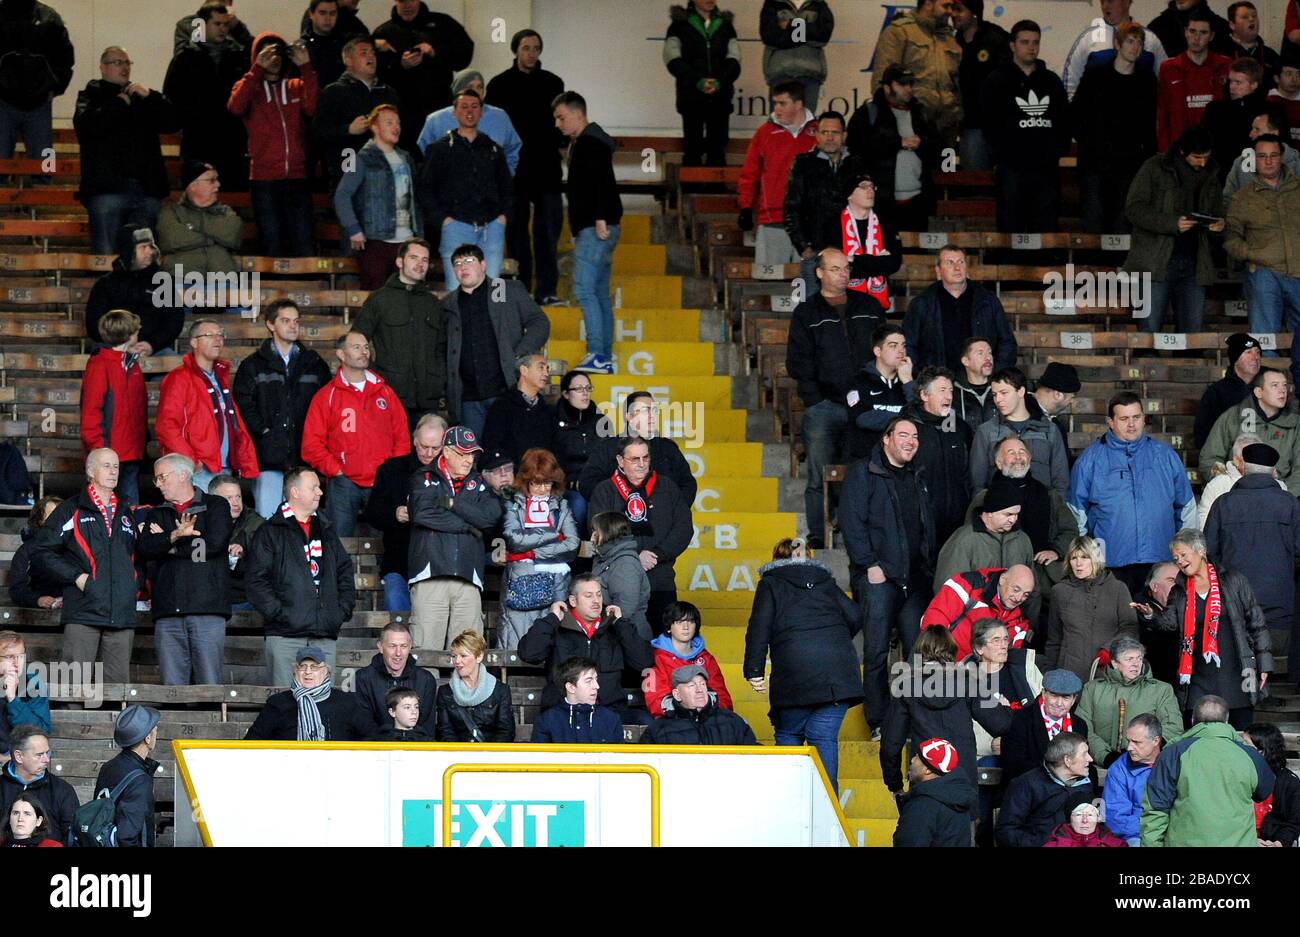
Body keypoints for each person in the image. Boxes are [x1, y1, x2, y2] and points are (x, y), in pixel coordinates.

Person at [833, 419, 935, 738]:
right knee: (876, 651)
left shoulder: (918, 473)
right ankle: (878, 721)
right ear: (886, 438)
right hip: (878, 578)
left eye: (915, 436)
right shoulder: (864, 473)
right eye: (902, 434)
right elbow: (851, 523)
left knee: (918, 652)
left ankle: (916, 719)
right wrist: (868, 566)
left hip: (915, 579)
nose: (910, 441)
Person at [785, 247, 885, 547]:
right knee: (818, 475)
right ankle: (818, 535)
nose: (844, 274)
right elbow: (797, 362)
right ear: (819, 273)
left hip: (866, 406)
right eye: (836, 269)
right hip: (825, 407)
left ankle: (857, 530)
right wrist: (815, 400)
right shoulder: (806, 312)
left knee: (865, 472)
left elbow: (888, 348)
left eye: (846, 269)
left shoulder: (869, 305)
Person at [1134, 528, 1271, 729]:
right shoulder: (1179, 590)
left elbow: (1257, 623)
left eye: (1183, 555)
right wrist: (1149, 615)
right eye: (1175, 557)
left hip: (1235, 672)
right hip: (1197, 676)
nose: (1179, 561)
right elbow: (1169, 624)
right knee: (1197, 733)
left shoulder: (1233, 580)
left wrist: (1264, 664)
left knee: (1240, 732)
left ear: (1201, 551)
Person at [1069, 391, 1196, 593]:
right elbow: (1077, 513)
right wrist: (1086, 559)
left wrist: (1186, 553)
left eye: (1136, 417)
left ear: (1144, 419)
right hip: (1110, 563)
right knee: (1116, 622)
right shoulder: (1089, 460)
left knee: (1161, 621)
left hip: (1160, 560)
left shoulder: (1165, 456)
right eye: (1124, 418)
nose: (1131, 424)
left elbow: (1186, 507)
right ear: (1110, 421)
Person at [31, 449, 138, 685]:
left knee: (117, 688)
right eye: (107, 465)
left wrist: (133, 586)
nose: (113, 472)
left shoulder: (127, 511)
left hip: (121, 613)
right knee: (74, 684)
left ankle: (117, 724)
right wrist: (77, 577)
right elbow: (41, 551)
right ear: (90, 471)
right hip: (83, 610)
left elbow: (137, 556)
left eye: (117, 466)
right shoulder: (71, 509)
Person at [247, 468, 356, 686]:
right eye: (313, 487)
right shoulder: (269, 531)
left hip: (324, 633)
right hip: (285, 636)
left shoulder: (326, 529)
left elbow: (344, 571)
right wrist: (281, 615)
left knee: (324, 707)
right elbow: (256, 581)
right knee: (285, 707)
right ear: (295, 492)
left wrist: (340, 611)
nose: (320, 492)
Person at [881, 626, 1012, 806]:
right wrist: (1004, 707)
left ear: (920, 651)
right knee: (962, 832)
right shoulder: (969, 680)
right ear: (951, 650)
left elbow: (891, 743)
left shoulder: (906, 685)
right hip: (963, 780)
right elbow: (1001, 725)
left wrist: (894, 784)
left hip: (924, 780)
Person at [300, 331, 409, 537]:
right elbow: (311, 445)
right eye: (356, 347)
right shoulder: (327, 396)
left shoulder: (385, 392)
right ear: (341, 354)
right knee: (339, 544)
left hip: (382, 483)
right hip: (344, 482)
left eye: (366, 347)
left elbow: (402, 437)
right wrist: (336, 470)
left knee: (385, 545)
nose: (364, 352)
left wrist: (391, 472)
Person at [137, 454, 233, 685]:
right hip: (167, 612)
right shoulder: (156, 513)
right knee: (172, 690)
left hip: (207, 610)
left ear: (182, 475)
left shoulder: (216, 505)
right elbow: (146, 548)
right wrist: (175, 535)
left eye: (162, 477)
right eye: (156, 479)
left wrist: (170, 546)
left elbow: (214, 544)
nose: (158, 484)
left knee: (209, 687)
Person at [232, 300, 333, 519]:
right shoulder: (253, 365)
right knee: (268, 521)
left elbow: (328, 404)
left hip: (305, 455)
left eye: (296, 321)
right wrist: (265, 432)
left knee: (305, 522)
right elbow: (243, 404)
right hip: (268, 457)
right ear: (270, 324)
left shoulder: (314, 363)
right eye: (285, 321)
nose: (293, 326)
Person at [486, 29, 567, 304]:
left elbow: (560, 123)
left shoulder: (553, 83)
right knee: (517, 233)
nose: (531, 53)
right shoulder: (499, 85)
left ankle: (547, 290)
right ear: (516, 50)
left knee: (547, 233)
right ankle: (520, 291)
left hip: (546, 167)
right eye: (526, 48)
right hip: (514, 170)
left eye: (535, 48)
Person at [74, 47, 178, 255]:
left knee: (144, 259)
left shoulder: (141, 97)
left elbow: (173, 122)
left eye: (127, 63)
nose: (124, 67)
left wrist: (150, 96)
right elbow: (88, 127)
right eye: (117, 62)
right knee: (106, 256)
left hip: (145, 190)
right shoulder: (91, 95)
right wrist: (118, 103)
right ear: (103, 68)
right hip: (106, 190)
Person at [407, 426, 503, 650]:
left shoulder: (479, 482)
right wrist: (469, 525)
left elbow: (490, 518)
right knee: (426, 652)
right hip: (431, 575)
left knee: (468, 654)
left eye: (472, 453)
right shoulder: (424, 477)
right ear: (446, 452)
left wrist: (453, 504)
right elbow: (422, 514)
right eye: (462, 453)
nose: (469, 460)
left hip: (468, 578)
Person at [442, 242, 552, 435]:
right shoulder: (448, 304)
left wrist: (519, 355)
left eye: (469, 260)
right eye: (457, 263)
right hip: (467, 398)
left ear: (483, 265)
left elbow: (539, 322)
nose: (463, 266)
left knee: (510, 455)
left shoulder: (507, 289)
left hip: (506, 390)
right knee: (472, 459)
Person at [1206, 442, 1300, 665]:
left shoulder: (1223, 504)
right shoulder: (1290, 504)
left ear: (1243, 468)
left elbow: (1209, 555)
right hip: (1281, 610)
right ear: (1274, 472)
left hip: (1234, 609)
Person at [588, 438, 694, 632]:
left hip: (661, 579)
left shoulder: (668, 487)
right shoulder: (605, 490)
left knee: (663, 644)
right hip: (616, 583)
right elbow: (598, 531)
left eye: (645, 457)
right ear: (620, 461)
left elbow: (683, 528)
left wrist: (657, 554)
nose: (641, 463)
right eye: (634, 459)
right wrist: (635, 557)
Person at [1141, 694, 1274, 845]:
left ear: (1192, 720)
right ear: (1226, 720)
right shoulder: (1250, 755)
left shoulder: (1172, 754)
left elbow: (1155, 810)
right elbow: (1264, 791)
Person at [228, 32, 317, 257]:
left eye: (277, 53)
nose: (273, 59)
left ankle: (307, 289)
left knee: (304, 242)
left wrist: (305, 66)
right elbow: (235, 107)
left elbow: (312, 108)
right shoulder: (249, 87)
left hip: (297, 177)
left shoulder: (296, 85)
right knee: (271, 242)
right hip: (264, 180)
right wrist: (256, 69)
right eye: (267, 54)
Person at [554, 91, 623, 374]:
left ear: (578, 114)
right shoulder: (589, 142)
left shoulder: (590, 144)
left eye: (561, 117)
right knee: (598, 292)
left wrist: (599, 219)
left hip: (597, 227)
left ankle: (597, 353)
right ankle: (603, 355)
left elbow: (600, 183)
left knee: (584, 289)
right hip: (598, 225)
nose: (557, 124)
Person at [518, 574, 653, 716]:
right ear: (573, 600)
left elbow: (643, 662)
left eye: (599, 595)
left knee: (645, 721)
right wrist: (551, 619)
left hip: (608, 712)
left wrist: (621, 624)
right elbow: (529, 654)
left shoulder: (614, 628)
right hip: (564, 712)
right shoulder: (557, 627)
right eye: (589, 596)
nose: (596, 601)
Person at [981, 20, 1071, 233]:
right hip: (1011, 169)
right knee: (1011, 228)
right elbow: (989, 123)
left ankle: (1044, 267)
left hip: (1046, 169)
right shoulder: (996, 80)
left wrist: (1056, 152)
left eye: (1035, 42)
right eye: (1025, 42)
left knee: (1046, 228)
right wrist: (1002, 155)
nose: (1031, 47)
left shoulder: (1051, 81)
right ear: (1012, 45)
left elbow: (1064, 121)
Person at [1071, 23, 1160, 233]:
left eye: (1139, 43)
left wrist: (1147, 159)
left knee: (1123, 223)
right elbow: (1077, 113)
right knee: (1094, 220)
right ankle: (1092, 267)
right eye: (1130, 41)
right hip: (1095, 163)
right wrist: (1088, 143)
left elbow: (1148, 126)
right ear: (1117, 44)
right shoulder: (1095, 75)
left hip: (1129, 164)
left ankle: (1121, 267)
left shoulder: (1146, 81)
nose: (1135, 47)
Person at [417, 89, 513, 282]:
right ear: (454, 112)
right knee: (457, 291)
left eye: (474, 107)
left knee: (491, 290)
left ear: (482, 112)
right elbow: (425, 189)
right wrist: (442, 220)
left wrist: (504, 217)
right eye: (464, 107)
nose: (469, 111)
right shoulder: (439, 149)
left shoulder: (494, 149)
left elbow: (508, 188)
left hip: (491, 227)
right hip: (455, 226)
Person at [157, 320, 259, 492]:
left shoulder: (219, 377)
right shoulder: (179, 378)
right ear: (193, 342)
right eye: (209, 335)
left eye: (220, 335)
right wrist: (192, 461)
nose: (217, 339)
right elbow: (166, 426)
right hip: (198, 471)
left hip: (224, 467)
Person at [353, 240, 446, 424]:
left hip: (427, 401)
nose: (420, 264)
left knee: (427, 453)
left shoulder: (433, 304)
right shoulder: (379, 299)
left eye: (425, 260)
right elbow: (355, 341)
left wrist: (438, 383)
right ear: (399, 262)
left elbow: (442, 349)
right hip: (389, 399)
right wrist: (376, 378)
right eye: (414, 258)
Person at [333, 105, 423, 290]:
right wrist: (353, 228)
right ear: (374, 127)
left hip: (406, 239)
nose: (395, 127)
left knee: (406, 296)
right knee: (376, 296)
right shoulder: (360, 158)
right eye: (389, 122)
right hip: (375, 240)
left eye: (398, 123)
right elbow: (342, 195)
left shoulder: (406, 158)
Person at [362, 414, 446, 613]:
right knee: (397, 616)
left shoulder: (452, 473)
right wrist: (395, 513)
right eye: (424, 446)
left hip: (440, 566)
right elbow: (372, 512)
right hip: (400, 561)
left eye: (435, 448)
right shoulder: (391, 470)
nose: (428, 453)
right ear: (415, 441)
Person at [163, 2, 250, 191]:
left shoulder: (238, 56)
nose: (222, 29)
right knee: (196, 194)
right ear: (202, 25)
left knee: (231, 195)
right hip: (198, 137)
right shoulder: (186, 58)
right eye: (217, 24)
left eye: (226, 24)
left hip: (231, 138)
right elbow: (172, 96)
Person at [846, 67, 942, 235]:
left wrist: (923, 144)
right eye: (902, 84)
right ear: (887, 87)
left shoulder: (921, 113)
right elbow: (856, 148)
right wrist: (898, 143)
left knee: (916, 256)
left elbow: (940, 148)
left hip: (917, 202)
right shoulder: (868, 113)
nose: (908, 89)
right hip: (880, 203)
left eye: (910, 84)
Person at [371, 0, 473, 157]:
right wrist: (400, 64)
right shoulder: (383, 33)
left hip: (439, 108)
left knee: (443, 159)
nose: (407, 5)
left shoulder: (444, 24)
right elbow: (375, 74)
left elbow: (464, 56)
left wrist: (435, 52)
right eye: (402, 1)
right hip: (401, 115)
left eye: (411, 0)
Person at [499, 448, 578, 648]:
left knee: (554, 634)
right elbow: (513, 539)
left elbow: (572, 544)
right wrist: (552, 535)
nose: (542, 488)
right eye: (536, 482)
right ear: (526, 481)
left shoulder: (562, 506)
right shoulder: (514, 504)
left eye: (547, 482)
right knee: (517, 634)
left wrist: (534, 553)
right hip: (521, 577)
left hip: (557, 580)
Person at [783, 113, 867, 293]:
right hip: (815, 253)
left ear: (844, 135)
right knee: (813, 315)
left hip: (851, 254)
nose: (829, 137)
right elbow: (792, 207)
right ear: (817, 135)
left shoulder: (858, 164)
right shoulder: (803, 164)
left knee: (848, 313)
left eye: (835, 132)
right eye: (825, 132)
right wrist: (803, 247)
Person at [1226, 135, 1300, 339]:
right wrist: (1251, 254)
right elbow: (1230, 236)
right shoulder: (1243, 196)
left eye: (1273, 155)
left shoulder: (1298, 189)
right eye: (1262, 156)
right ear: (1255, 159)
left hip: (1299, 271)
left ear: (1282, 157)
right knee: (1264, 339)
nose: (1268, 161)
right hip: (1264, 274)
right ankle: (1267, 372)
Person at [901, 244, 1017, 374]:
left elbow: (1007, 343)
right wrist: (925, 378)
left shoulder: (987, 300)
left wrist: (994, 375)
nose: (957, 268)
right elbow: (909, 345)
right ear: (938, 271)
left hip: (981, 382)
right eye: (950, 263)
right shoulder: (922, 304)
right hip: (938, 385)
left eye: (960, 262)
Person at [737, 80, 816, 267]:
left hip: (809, 221)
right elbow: (749, 173)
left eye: (783, 103)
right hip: (772, 218)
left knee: (807, 284)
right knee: (770, 280)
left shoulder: (819, 132)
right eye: (775, 103)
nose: (777, 108)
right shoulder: (764, 133)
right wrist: (745, 207)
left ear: (798, 104)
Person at [1044, 536, 1139, 683]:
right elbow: (1054, 639)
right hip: (1069, 671)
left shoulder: (1117, 588)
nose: (1078, 563)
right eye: (1074, 558)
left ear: (1095, 559)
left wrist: (1110, 649)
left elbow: (1130, 628)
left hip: (1107, 671)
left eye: (1085, 557)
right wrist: (1049, 676)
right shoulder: (1060, 591)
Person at [576, 392, 698, 507]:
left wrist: (674, 509)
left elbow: (688, 484)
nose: (652, 415)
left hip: (663, 521)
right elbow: (587, 483)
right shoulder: (608, 447)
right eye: (645, 411)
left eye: (654, 410)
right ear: (629, 416)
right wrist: (617, 504)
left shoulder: (668, 448)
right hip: (618, 521)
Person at [1077, 635, 1184, 766]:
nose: (1136, 664)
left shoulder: (1161, 690)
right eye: (1129, 659)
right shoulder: (1092, 688)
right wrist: (1106, 756)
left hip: (1145, 767)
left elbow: (1173, 727)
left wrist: (1141, 752)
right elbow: (1082, 727)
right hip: (1099, 764)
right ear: (1115, 663)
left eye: (1139, 658)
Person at [79, 310, 148, 508]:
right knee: (102, 510)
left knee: (130, 513)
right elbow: (91, 412)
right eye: (136, 330)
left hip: (131, 453)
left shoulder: (131, 364)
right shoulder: (100, 364)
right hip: (108, 454)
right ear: (129, 333)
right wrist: (99, 450)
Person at [870, 0, 962, 148]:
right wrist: (891, 120)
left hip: (947, 127)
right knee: (916, 169)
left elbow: (958, 83)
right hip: (913, 125)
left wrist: (958, 113)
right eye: (946, 6)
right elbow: (882, 80)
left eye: (952, 7)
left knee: (948, 169)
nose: (950, 11)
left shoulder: (950, 37)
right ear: (928, 4)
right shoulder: (899, 32)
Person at [84, 225, 181, 359]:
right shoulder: (105, 284)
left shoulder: (163, 282)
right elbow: (94, 324)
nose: (149, 252)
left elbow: (174, 321)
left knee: (172, 362)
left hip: (155, 350)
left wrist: (151, 344)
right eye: (143, 247)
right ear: (129, 251)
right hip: (113, 348)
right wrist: (122, 344)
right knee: (100, 358)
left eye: (151, 246)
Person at [663, 0, 741, 167]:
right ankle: (691, 190)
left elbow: (734, 60)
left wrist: (720, 81)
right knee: (692, 148)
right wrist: (697, 81)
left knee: (718, 149)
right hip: (690, 96)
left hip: (720, 96)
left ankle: (716, 190)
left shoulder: (726, 26)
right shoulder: (678, 25)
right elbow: (672, 60)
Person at [313, 37, 399, 187]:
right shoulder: (333, 92)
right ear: (348, 60)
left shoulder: (388, 93)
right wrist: (348, 129)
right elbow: (318, 133)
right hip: (348, 170)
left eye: (373, 53)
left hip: (383, 170)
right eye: (364, 53)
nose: (371, 57)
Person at [969, 369, 1070, 496]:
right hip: (1001, 511)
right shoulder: (986, 431)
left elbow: (1061, 482)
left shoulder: (1050, 430)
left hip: (1041, 510)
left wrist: (1054, 512)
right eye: (994, 394)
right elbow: (977, 484)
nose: (998, 399)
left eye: (1004, 393)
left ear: (1021, 391)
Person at [1200, 368, 1300, 494]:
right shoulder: (1233, 417)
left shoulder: (1295, 424)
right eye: (1275, 385)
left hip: (1279, 499)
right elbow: (1209, 459)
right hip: (1236, 496)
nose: (1283, 390)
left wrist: (1282, 495)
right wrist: (1228, 487)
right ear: (1259, 392)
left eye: (1284, 385)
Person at [903, 367, 974, 546]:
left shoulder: (961, 428)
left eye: (951, 391)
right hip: (919, 524)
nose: (949, 397)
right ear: (924, 396)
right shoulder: (906, 427)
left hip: (957, 523)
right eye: (942, 391)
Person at [0, 0, 74, 162]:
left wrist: (55, 88)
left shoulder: (50, 17)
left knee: (46, 161)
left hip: (40, 102)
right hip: (3, 102)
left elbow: (65, 58)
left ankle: (46, 184)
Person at [245, 645, 370, 740]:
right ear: (295, 671)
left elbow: (371, 736)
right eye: (303, 666)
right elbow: (252, 741)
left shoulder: (346, 702)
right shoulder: (277, 703)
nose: (308, 672)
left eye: (314, 667)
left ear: (326, 671)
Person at [995, 730, 1095, 847]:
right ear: (1067, 760)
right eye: (1084, 754)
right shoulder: (1026, 784)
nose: (1090, 759)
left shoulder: (1084, 785)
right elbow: (1006, 832)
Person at [933, 477, 1033, 591]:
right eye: (1008, 514)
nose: (1013, 520)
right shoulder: (964, 539)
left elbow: (1032, 589)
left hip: (1013, 609)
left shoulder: (1022, 539)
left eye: (1016, 514)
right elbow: (947, 591)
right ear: (990, 512)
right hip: (972, 608)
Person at [155, 162, 245, 288]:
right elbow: (172, 239)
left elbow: (233, 235)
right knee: (172, 300)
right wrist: (214, 239)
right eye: (211, 180)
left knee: (241, 304)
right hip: (182, 278)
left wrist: (190, 227)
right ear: (193, 185)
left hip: (223, 278)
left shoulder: (226, 212)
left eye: (217, 180)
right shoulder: (171, 212)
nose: (218, 185)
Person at [416, 70, 521, 174]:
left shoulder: (499, 117)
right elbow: (423, 154)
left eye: (480, 87)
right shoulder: (436, 120)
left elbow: (513, 148)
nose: (476, 91)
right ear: (458, 90)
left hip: (490, 186)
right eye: (470, 87)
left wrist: (505, 176)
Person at [922, 564, 1036, 659]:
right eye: (1016, 590)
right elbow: (935, 617)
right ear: (1002, 580)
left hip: (978, 675)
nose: (1019, 598)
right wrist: (939, 659)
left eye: (1026, 594)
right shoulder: (969, 584)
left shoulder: (1020, 617)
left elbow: (1012, 655)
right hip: (943, 659)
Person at [1155, 13, 1233, 151]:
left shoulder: (1225, 65)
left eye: (1203, 32)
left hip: (1216, 150)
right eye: (1192, 31)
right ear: (1185, 32)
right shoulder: (1169, 68)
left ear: (1211, 36)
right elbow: (1162, 114)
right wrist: (1165, 151)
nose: (1196, 38)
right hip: (1179, 150)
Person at [999, 668, 1092, 782]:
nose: (1059, 703)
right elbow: (1013, 765)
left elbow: (1085, 763)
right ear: (1044, 693)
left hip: (1069, 791)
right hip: (1031, 791)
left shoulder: (1079, 725)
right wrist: (1058, 775)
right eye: (1054, 696)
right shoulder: (1020, 719)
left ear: (1073, 700)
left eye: (1065, 697)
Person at [1062, 0, 1168, 98]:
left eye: (1111, 1)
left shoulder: (1150, 40)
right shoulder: (1087, 39)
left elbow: (1167, 81)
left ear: (1127, 2)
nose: (1105, 6)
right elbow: (1070, 86)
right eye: (1102, 1)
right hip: (1097, 116)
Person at [92, 704, 161, 847]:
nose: (157, 732)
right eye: (155, 729)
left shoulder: (108, 767)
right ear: (147, 738)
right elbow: (126, 837)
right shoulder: (140, 780)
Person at [647, 600, 730, 718]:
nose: (686, 627)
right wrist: (686, 712)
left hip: (708, 719)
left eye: (690, 621)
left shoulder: (706, 658)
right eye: (679, 622)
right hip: (674, 722)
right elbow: (655, 701)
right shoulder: (656, 659)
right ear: (669, 627)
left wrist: (705, 711)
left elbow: (722, 697)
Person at [953, 0, 1010, 171]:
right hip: (969, 125)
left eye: (959, 10)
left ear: (974, 12)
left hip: (1000, 124)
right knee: (973, 183)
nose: (953, 14)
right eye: (952, 9)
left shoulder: (997, 38)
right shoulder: (951, 42)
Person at [354, 621, 436, 734]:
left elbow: (427, 727)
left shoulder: (426, 679)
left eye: (403, 646)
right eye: (392, 646)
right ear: (380, 647)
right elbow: (363, 725)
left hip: (414, 748)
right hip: (377, 747)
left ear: (410, 647)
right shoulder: (362, 678)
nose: (398, 653)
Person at [845, 324, 914, 460]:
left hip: (904, 462)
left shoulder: (911, 382)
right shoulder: (858, 381)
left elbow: (921, 418)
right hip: (865, 461)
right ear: (878, 351)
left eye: (903, 345)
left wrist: (908, 381)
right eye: (893, 346)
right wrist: (906, 418)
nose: (901, 351)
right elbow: (863, 418)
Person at [641, 665, 758, 745]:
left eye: (702, 684)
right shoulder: (658, 729)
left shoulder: (733, 721)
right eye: (691, 686)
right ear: (677, 695)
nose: (699, 690)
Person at [892, 737, 976, 847]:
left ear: (928, 770)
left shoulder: (922, 806)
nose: (912, 760)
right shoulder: (959, 798)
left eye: (918, 757)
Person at [0, 726, 77, 845]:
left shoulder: (62, 790)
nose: (46, 759)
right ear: (19, 756)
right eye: (39, 755)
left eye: (47, 753)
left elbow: (73, 835)